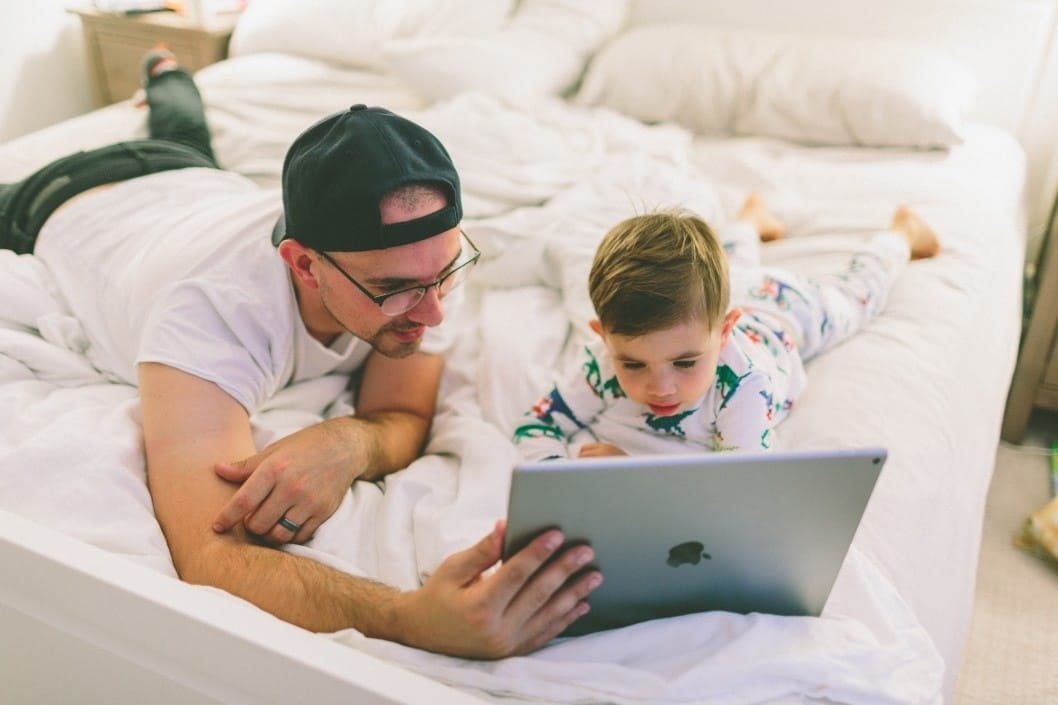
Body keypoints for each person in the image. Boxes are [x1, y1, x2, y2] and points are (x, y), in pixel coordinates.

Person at [0, 50, 601, 657]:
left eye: (444, 274)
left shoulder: (423, 269)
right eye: (392, 291)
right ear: (304, 264)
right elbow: (214, 556)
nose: (433, 312)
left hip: (191, 175)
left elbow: (406, 415)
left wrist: (348, 441)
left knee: (181, 123)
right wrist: (408, 618)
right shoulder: (211, 313)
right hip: (59, 195)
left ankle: (165, 75)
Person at [513, 194, 940, 460]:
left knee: (853, 297)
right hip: (724, 298)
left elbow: (737, 482)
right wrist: (562, 474)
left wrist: (629, 472)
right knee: (730, 268)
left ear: (725, 332)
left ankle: (900, 233)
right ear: (602, 336)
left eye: (684, 363)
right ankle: (749, 220)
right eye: (634, 365)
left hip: (782, 311)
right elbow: (536, 427)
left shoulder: (743, 385)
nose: (660, 387)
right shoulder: (603, 362)